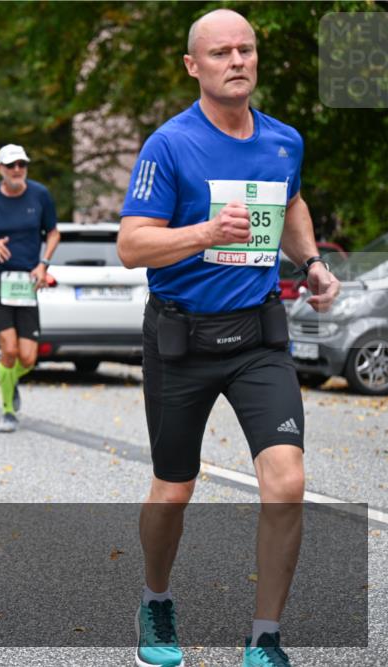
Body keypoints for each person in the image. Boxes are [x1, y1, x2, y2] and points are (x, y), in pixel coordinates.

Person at [116, 10, 341, 667]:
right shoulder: (170, 144)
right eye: (220, 53)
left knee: (286, 481)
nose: (236, 60)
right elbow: (132, 243)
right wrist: (205, 234)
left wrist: (313, 262)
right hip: (180, 337)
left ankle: (265, 634)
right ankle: (156, 599)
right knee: (173, 487)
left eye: (246, 49)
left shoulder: (283, 141)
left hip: (258, 338)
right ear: (194, 66)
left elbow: (291, 202)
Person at [0, 144, 59, 433]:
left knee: (29, 358)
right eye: (11, 165)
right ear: (0, 169)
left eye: (22, 164)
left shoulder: (40, 195)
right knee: (8, 350)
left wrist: (43, 264)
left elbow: (53, 232)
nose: (17, 170)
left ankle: (7, 377)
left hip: (27, 283)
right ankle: (8, 411)